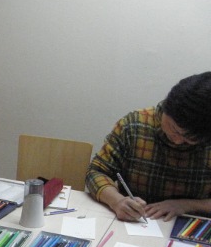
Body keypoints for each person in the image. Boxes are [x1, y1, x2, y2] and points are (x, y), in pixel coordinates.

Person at [86, 72, 211, 222]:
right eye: (174, 129)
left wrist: (186, 205)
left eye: (189, 139)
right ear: (166, 108)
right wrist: (117, 201)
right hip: (134, 221)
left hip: (193, 225)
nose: (178, 141)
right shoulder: (134, 126)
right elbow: (96, 172)